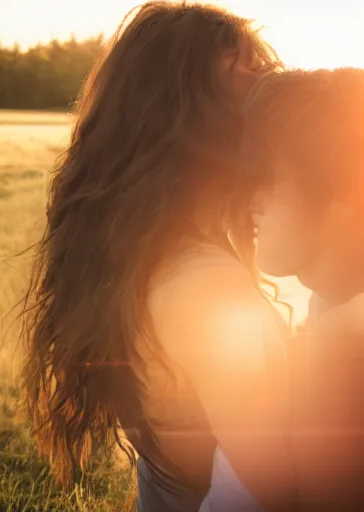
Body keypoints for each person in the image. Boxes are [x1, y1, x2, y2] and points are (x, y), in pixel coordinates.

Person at [21, 2, 300, 511]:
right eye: (255, 78)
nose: (276, 97)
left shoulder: (156, 254)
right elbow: (274, 491)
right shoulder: (206, 287)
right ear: (193, 116)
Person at [243, 67, 364, 510]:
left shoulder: (344, 359)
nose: (248, 198)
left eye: (268, 179)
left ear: (345, 198)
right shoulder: (331, 303)